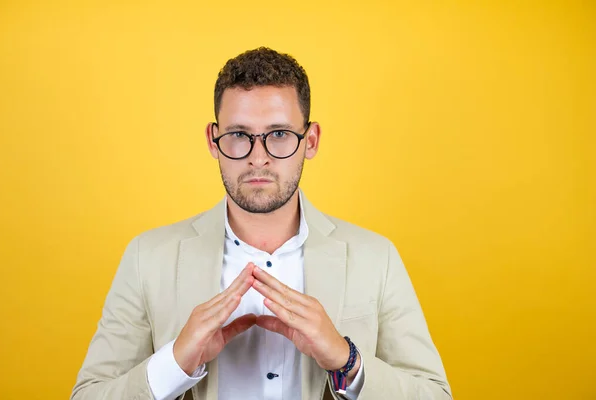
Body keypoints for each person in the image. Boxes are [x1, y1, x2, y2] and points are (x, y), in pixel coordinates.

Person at [71, 47, 452, 400]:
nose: (258, 158)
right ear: (213, 139)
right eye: (239, 135)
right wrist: (174, 363)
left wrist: (345, 359)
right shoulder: (147, 257)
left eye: (279, 134)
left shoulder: (376, 257)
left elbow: (435, 393)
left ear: (311, 140)